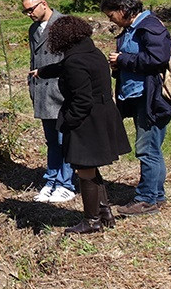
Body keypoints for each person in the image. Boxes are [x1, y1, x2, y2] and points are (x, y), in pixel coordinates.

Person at [34, 15, 131, 234]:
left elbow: (82, 99)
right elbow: (65, 67)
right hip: (102, 114)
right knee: (90, 166)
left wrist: (69, 122)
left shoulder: (75, 61)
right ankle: (105, 213)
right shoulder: (91, 52)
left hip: (87, 120)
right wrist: (43, 71)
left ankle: (91, 221)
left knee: (84, 169)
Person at [101, 0, 171, 216]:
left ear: (123, 10)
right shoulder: (132, 29)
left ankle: (146, 200)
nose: (110, 20)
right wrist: (120, 66)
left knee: (147, 149)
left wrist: (123, 59)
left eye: (111, 15)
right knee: (151, 148)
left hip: (153, 98)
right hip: (140, 97)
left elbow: (157, 58)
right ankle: (156, 196)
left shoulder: (150, 26)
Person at [22, 0, 76, 203]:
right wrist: (32, 88)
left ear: (43, 4)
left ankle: (67, 183)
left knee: (65, 140)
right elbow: (33, 60)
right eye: (25, 11)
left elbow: (73, 60)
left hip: (61, 92)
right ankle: (51, 180)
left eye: (31, 9)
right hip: (43, 92)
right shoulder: (34, 29)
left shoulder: (64, 25)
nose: (29, 14)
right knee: (52, 141)